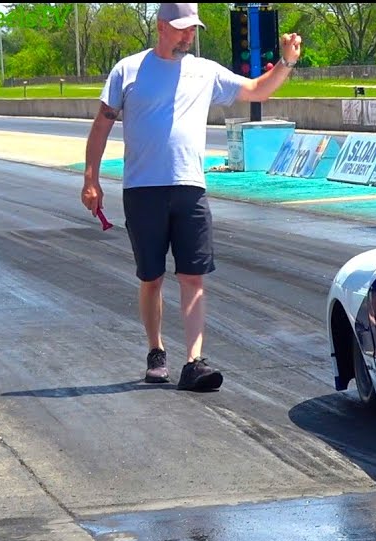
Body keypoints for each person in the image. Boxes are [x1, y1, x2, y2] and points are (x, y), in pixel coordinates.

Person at [80, 3, 302, 391]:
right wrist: (91, 179)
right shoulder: (128, 70)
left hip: (190, 188)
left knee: (192, 275)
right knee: (151, 277)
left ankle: (194, 361)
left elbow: (256, 89)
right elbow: (102, 124)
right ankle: (156, 351)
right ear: (161, 26)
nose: (188, 35)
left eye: (192, 29)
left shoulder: (205, 71)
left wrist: (285, 62)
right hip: (142, 189)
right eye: (182, 28)